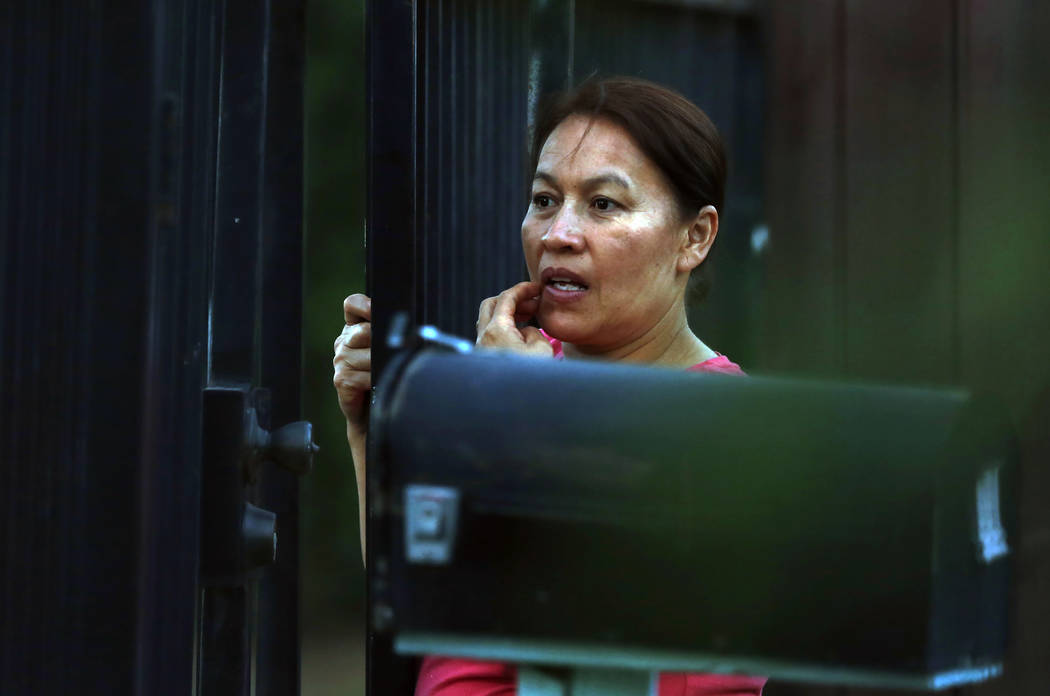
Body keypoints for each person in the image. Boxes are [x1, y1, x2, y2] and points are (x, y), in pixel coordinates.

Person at [334, 76, 765, 696]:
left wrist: (527, 418)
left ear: (694, 237)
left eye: (603, 205)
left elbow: (609, 652)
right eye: (543, 200)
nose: (558, 234)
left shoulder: (732, 428)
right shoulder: (518, 376)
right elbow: (423, 593)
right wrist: (370, 431)